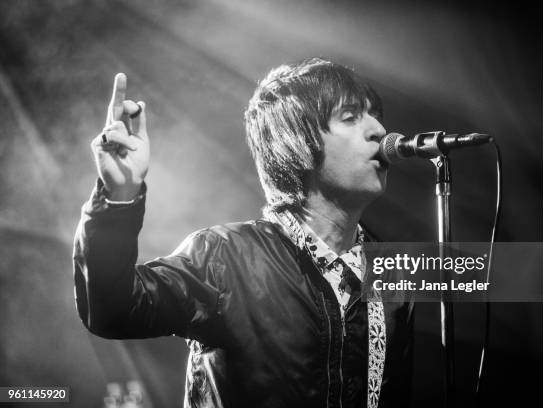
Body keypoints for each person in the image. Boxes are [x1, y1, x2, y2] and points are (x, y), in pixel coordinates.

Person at [73, 58, 414, 408]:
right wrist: (119, 197)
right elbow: (112, 311)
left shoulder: (393, 271)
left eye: (375, 115)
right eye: (351, 116)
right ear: (298, 141)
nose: (377, 129)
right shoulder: (224, 256)